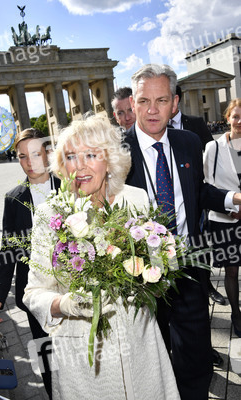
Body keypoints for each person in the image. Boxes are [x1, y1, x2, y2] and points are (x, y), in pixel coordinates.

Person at [23, 115, 181, 400]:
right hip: (86, 362)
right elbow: (33, 293)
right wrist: (65, 304)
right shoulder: (50, 216)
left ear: (109, 160)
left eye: (91, 155)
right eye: (71, 156)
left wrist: (159, 269)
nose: (80, 166)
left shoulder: (136, 199)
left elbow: (162, 268)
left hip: (141, 346)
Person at [125, 64, 241, 400]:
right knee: (151, 352)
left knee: (195, 352)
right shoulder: (117, 154)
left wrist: (232, 198)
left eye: (161, 100)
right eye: (144, 100)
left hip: (190, 265)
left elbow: (199, 190)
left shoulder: (189, 142)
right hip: (138, 275)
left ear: (174, 103)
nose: (151, 109)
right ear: (132, 103)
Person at [0, 128, 61, 399]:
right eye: (22, 156)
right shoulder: (14, 198)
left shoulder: (72, 185)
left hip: (74, 289)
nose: (30, 162)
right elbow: (8, 247)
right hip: (36, 295)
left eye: (36, 154)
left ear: (48, 153)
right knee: (48, 359)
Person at [170, 86, 226, 308]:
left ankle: (208, 286)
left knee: (201, 242)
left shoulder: (196, 123)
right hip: (170, 200)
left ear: (177, 100)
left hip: (198, 194)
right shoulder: (156, 128)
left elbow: (212, 155)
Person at [203, 98, 241, 337]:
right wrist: (230, 207)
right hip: (226, 220)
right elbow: (207, 186)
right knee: (231, 270)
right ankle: (236, 315)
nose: (239, 122)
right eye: (236, 116)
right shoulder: (213, 148)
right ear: (227, 118)